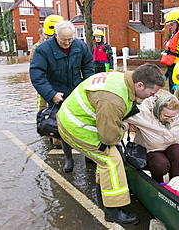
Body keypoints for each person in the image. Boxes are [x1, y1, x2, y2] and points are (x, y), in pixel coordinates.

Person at [57, 64, 165, 225]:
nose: (151, 97)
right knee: (111, 160)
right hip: (76, 127)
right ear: (140, 85)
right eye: (151, 93)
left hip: (79, 117)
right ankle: (113, 210)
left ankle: (103, 188)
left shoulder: (122, 80)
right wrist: (124, 127)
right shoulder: (113, 100)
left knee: (110, 155)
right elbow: (109, 137)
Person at [30, 20, 94, 173]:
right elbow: (37, 75)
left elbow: (88, 67)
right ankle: (69, 158)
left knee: (87, 123)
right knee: (63, 127)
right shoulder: (43, 50)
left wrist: (88, 87)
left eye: (70, 39)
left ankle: (89, 156)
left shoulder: (80, 46)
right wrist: (51, 94)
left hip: (77, 90)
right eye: (63, 39)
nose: (67, 43)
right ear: (56, 35)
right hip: (57, 93)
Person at [123, 89, 179, 183]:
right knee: (161, 165)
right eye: (166, 117)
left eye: (172, 117)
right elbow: (122, 114)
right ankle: (158, 183)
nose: (169, 120)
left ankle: (177, 181)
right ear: (158, 110)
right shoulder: (143, 114)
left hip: (173, 145)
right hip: (151, 150)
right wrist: (126, 125)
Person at [30, 15, 64, 149]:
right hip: (46, 86)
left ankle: (57, 138)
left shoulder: (64, 45)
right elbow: (36, 72)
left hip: (60, 85)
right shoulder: (38, 48)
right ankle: (51, 136)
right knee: (46, 110)